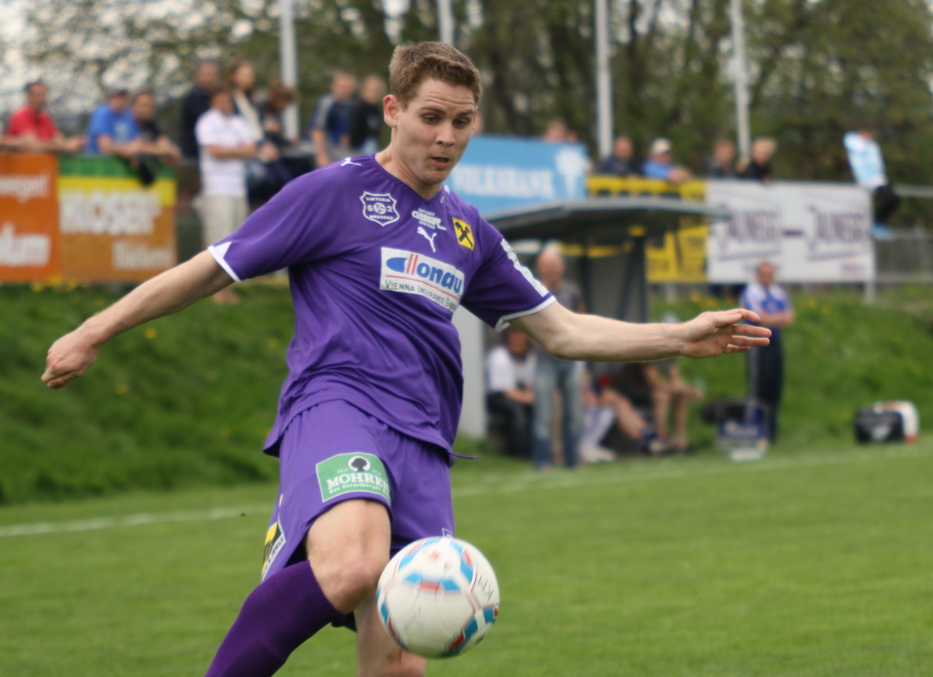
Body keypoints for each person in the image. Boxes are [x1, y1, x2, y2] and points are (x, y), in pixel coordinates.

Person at [41, 41, 770, 677]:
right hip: (338, 404)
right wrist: (94, 330)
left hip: (423, 439)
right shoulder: (332, 192)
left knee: (402, 654)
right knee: (354, 565)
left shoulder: (469, 231)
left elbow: (564, 331)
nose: (446, 136)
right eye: (431, 116)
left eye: (462, 120)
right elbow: (211, 268)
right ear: (392, 110)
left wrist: (680, 336)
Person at [195, 87, 263, 302]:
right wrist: (238, 151)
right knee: (217, 240)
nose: (227, 104)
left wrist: (230, 151)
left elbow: (252, 149)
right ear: (213, 102)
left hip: (238, 188)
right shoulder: (207, 122)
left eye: (229, 100)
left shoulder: (238, 122)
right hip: (217, 188)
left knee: (235, 241)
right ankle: (211, 290)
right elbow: (214, 151)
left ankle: (226, 289)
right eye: (222, 100)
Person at [530, 247, 585, 471]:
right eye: (547, 266)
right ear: (540, 268)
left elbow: (583, 320)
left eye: (555, 265)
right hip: (544, 359)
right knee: (544, 413)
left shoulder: (573, 291)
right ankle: (543, 461)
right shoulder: (532, 289)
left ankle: (573, 460)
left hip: (571, 359)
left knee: (574, 412)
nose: (552, 269)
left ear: (562, 267)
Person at [739, 262, 793, 443]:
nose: (768, 278)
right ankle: (755, 427)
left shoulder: (778, 293)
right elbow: (760, 318)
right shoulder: (752, 292)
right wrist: (777, 318)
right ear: (758, 275)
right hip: (757, 343)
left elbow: (789, 319)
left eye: (770, 274)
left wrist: (772, 319)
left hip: (775, 342)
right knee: (758, 386)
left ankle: (771, 431)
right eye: (764, 274)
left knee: (774, 386)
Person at [610, 359, 702, 453]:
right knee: (662, 397)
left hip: (649, 388)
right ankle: (659, 437)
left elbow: (675, 381)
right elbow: (653, 382)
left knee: (681, 396)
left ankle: (680, 437)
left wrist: (687, 390)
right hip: (631, 387)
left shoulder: (671, 357)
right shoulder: (649, 355)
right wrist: (678, 390)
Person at [485, 328, 536, 458]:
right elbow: (505, 391)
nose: (518, 341)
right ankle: (519, 453)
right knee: (517, 412)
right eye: (514, 338)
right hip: (498, 397)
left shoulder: (530, 357)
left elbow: (531, 384)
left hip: (522, 395)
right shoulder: (499, 356)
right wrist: (531, 398)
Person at [843, 123, 900, 226]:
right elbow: (858, 148)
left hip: (878, 179)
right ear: (862, 132)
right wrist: (864, 140)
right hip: (866, 180)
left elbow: (877, 162)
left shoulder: (872, 144)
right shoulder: (853, 140)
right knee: (889, 200)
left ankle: (878, 222)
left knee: (893, 199)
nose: (871, 136)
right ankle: (877, 222)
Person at [5, 80, 84, 153]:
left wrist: (73, 143)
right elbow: (34, 145)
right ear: (29, 97)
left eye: (44, 95)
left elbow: (59, 141)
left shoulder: (45, 118)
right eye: (39, 95)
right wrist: (66, 147)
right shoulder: (20, 116)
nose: (43, 99)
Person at [127, 91, 182, 184]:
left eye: (151, 106)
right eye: (144, 105)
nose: (148, 109)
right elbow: (130, 149)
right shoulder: (125, 123)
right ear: (134, 106)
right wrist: (158, 150)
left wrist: (148, 149)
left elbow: (174, 152)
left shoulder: (151, 126)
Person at [309, 71, 357, 167]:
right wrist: (321, 155)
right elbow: (317, 129)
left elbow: (344, 133)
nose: (345, 90)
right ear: (333, 86)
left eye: (348, 87)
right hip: (324, 149)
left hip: (338, 150)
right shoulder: (327, 103)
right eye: (342, 87)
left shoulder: (348, 105)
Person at [179, 60, 221, 163]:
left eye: (213, 75)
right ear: (197, 76)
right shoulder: (193, 99)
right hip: (195, 156)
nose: (210, 79)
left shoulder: (216, 97)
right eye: (207, 75)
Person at [84, 88, 138, 156]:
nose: (121, 101)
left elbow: (138, 141)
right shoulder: (102, 113)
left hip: (120, 158)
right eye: (117, 98)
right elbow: (105, 147)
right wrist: (128, 150)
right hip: (98, 159)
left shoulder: (128, 115)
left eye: (123, 98)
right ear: (110, 99)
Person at [347, 75, 387, 156]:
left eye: (376, 91)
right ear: (364, 90)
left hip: (372, 146)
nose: (373, 94)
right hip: (357, 148)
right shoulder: (358, 107)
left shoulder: (375, 109)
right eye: (371, 90)